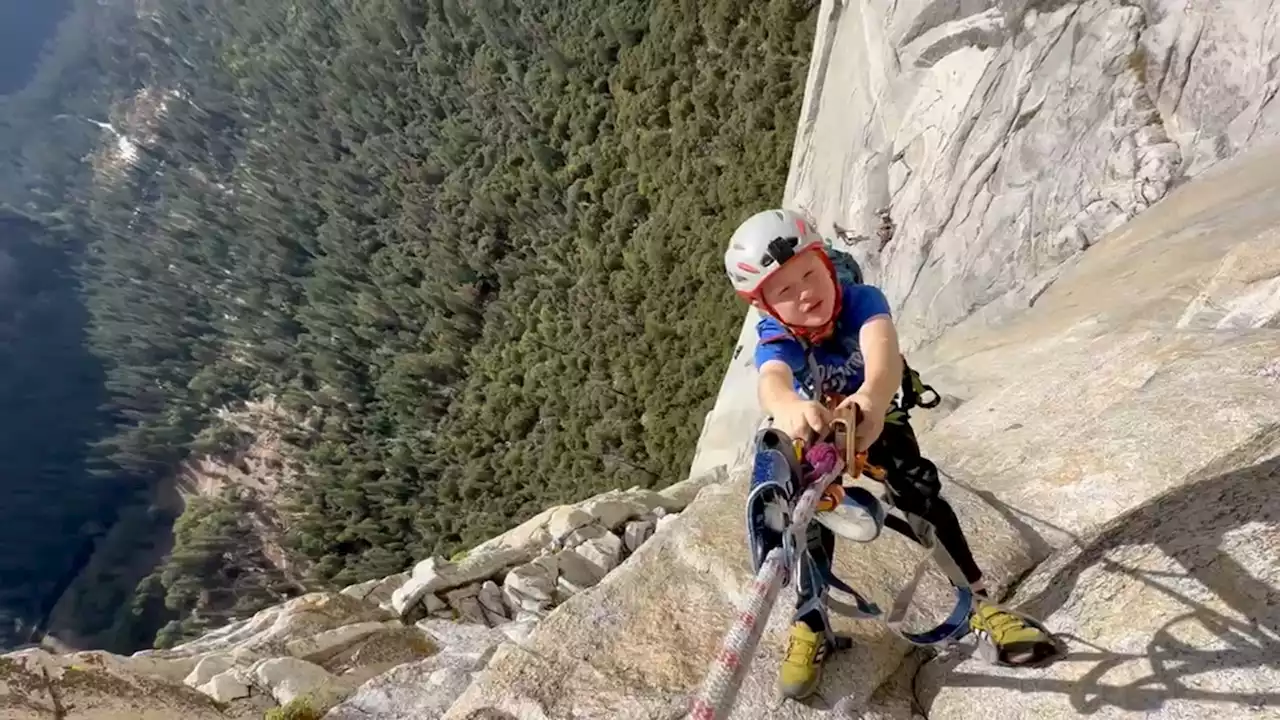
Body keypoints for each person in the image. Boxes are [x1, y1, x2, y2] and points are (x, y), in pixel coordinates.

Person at [724, 208, 1056, 700]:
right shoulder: (779, 334)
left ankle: (978, 603)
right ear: (767, 307)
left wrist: (871, 403)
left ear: (823, 261)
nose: (807, 294)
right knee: (805, 518)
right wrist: (792, 406)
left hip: (871, 414)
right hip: (817, 427)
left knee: (919, 491)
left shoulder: (861, 301)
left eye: (810, 275)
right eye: (786, 292)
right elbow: (772, 380)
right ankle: (811, 620)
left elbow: (881, 359)